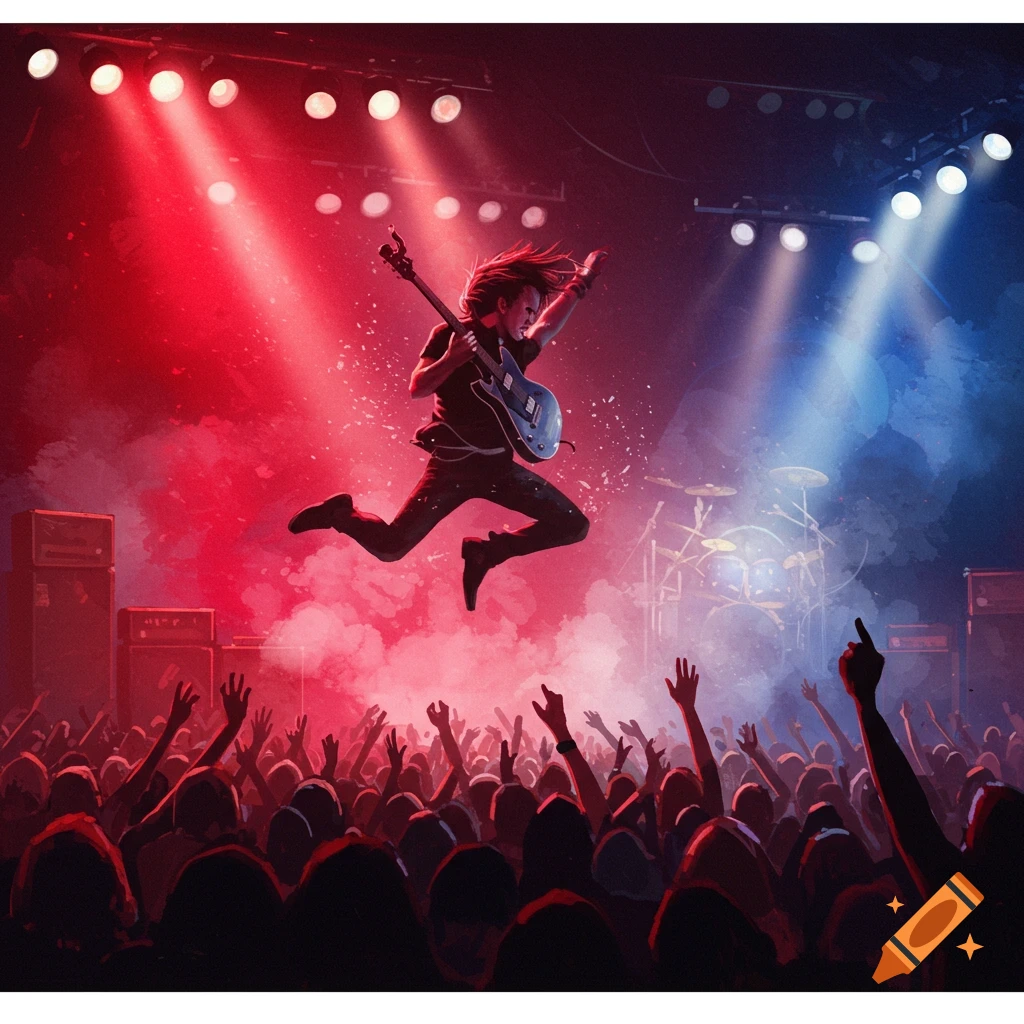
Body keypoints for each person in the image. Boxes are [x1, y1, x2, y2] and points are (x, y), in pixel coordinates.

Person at [288, 241, 609, 610]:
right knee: (391, 547)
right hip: (451, 469)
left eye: (534, 310)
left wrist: (582, 280)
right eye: (527, 309)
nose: (531, 317)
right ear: (503, 304)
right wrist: (453, 359)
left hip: (498, 468)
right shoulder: (449, 336)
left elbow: (547, 326)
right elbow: (417, 387)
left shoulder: (516, 351)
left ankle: (487, 553)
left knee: (573, 526)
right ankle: (340, 513)